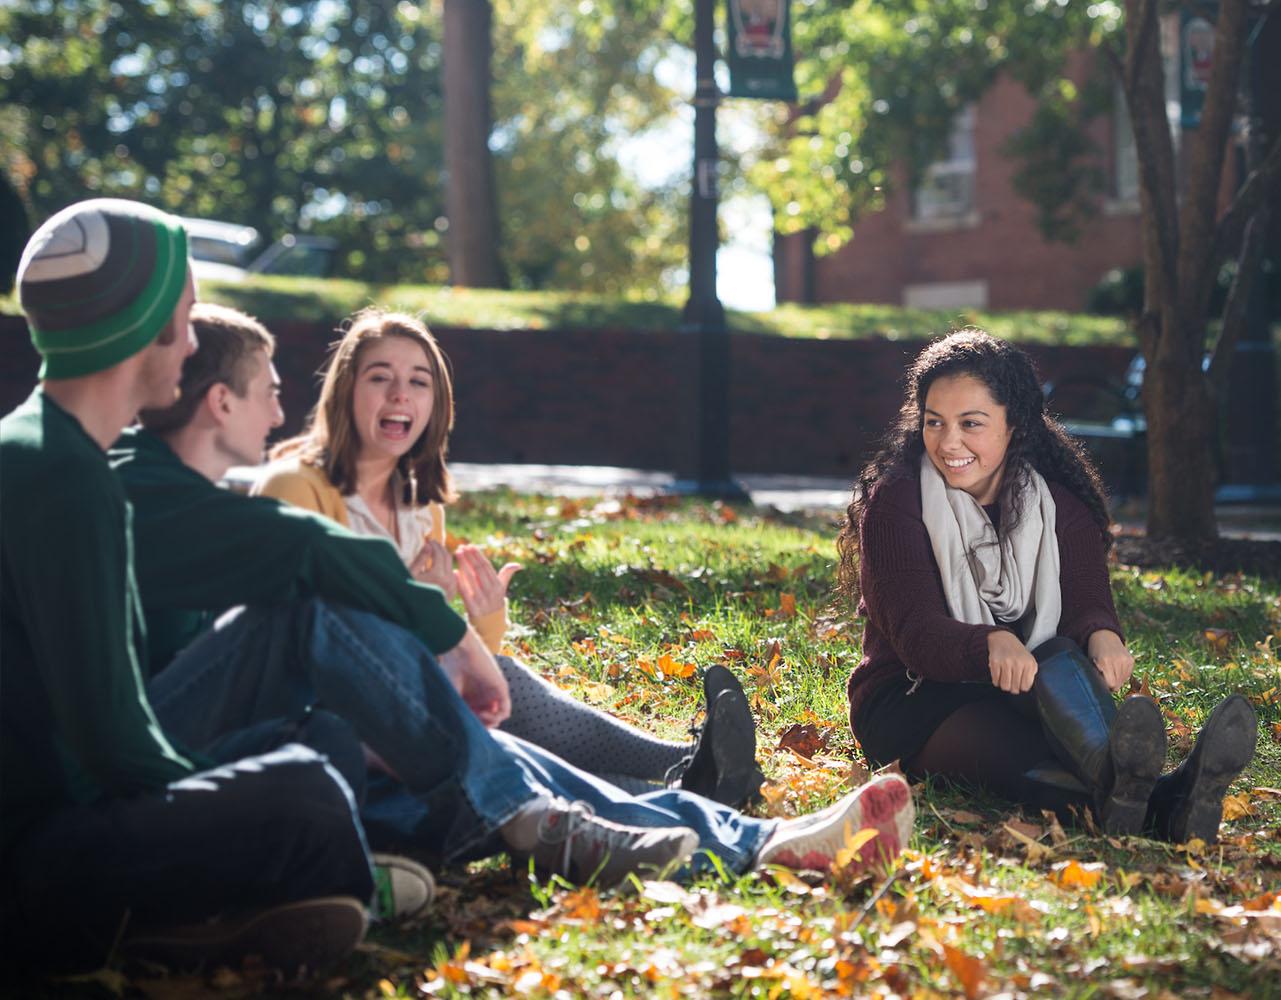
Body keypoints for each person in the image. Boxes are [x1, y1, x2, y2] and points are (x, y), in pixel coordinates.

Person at [114, 302, 914, 888]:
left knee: (495, 749)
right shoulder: (217, 494)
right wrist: (453, 637)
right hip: (268, 736)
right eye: (267, 389)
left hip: (359, 707)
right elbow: (320, 575)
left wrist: (478, 627)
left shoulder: (399, 502)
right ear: (223, 402)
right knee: (412, 697)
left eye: (417, 381)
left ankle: (755, 836)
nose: (280, 408)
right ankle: (622, 809)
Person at [1, 199, 372, 977]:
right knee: (307, 797)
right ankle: (188, 913)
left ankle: (230, 901)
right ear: (144, 329)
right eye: (188, 315)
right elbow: (112, 746)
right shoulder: (67, 478)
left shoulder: (45, 448)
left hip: (69, 815)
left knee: (324, 750)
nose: (196, 339)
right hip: (41, 860)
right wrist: (223, 806)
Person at [252, 308, 761, 809]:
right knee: (497, 706)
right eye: (379, 377)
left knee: (502, 696)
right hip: (324, 713)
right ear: (345, 391)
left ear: (437, 403)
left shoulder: (419, 504)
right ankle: (691, 777)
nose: (399, 394)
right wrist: (418, 605)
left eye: (419, 381)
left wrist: (485, 619)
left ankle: (686, 786)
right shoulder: (294, 487)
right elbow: (309, 634)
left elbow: (444, 657)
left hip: (403, 694)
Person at [839, 328, 1257, 842]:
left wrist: (1103, 634)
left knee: (1061, 655)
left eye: (971, 424)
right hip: (916, 699)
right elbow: (916, 633)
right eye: (934, 423)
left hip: (1034, 687)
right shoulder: (897, 504)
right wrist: (988, 642)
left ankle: (1151, 803)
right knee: (1024, 751)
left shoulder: (1058, 505)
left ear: (1014, 424)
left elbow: (1086, 604)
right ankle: (1172, 796)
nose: (949, 443)